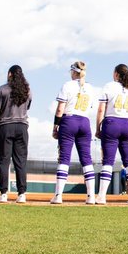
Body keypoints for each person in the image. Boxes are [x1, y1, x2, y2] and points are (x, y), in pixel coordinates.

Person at [52, 61, 97, 204]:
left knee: (64, 158)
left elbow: (60, 109)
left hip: (69, 121)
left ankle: (58, 195)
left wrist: (55, 126)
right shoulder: (90, 88)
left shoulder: (67, 85)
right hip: (84, 122)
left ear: (73, 71)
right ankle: (91, 197)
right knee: (87, 159)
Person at [95, 64, 128, 205]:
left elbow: (101, 110)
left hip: (112, 123)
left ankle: (102, 196)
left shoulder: (109, 86)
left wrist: (98, 128)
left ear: (116, 74)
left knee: (108, 161)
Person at [0, 64, 32, 203]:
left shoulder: (2, 89)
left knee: (3, 160)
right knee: (20, 161)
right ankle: (22, 193)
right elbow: (28, 107)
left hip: (5, 127)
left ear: (9, 74)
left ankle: (3, 193)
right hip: (22, 127)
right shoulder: (27, 91)